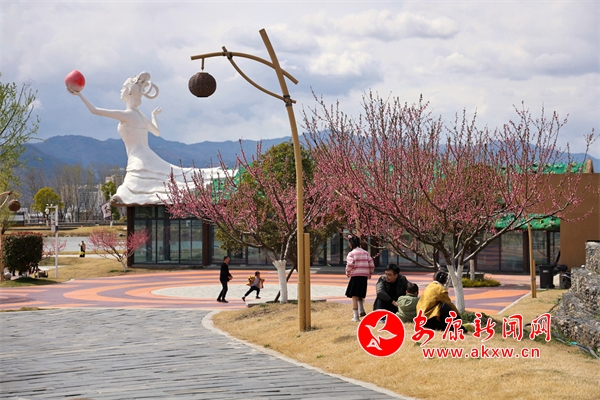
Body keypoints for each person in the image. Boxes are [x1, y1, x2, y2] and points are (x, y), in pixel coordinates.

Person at [70, 71, 226, 205]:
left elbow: (95, 110)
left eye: (123, 88)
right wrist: (153, 116)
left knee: (137, 191)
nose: (121, 90)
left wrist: (79, 94)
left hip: (139, 159)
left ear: (130, 92)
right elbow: (156, 132)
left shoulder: (127, 115)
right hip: (146, 156)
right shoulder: (139, 115)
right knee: (172, 181)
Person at [345, 236, 374, 322]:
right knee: (360, 293)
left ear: (351, 244)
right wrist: (370, 273)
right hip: (364, 276)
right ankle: (361, 310)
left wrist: (347, 271)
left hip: (355, 275)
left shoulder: (351, 254)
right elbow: (371, 264)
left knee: (354, 295)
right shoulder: (366, 253)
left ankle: (356, 316)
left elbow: (350, 264)